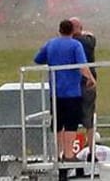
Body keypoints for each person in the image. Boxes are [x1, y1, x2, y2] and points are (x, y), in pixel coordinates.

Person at [34, 19, 95, 160]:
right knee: (71, 125)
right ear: (72, 31)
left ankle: (57, 154)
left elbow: (38, 59)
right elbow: (82, 66)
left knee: (58, 124)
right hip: (72, 92)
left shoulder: (51, 43)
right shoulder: (75, 45)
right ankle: (69, 154)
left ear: (59, 30)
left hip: (56, 92)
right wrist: (90, 78)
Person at [72, 19, 99, 135]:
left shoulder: (70, 42)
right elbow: (91, 35)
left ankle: (67, 151)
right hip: (89, 82)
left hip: (73, 82)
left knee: (70, 119)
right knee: (89, 118)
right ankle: (91, 150)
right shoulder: (89, 41)